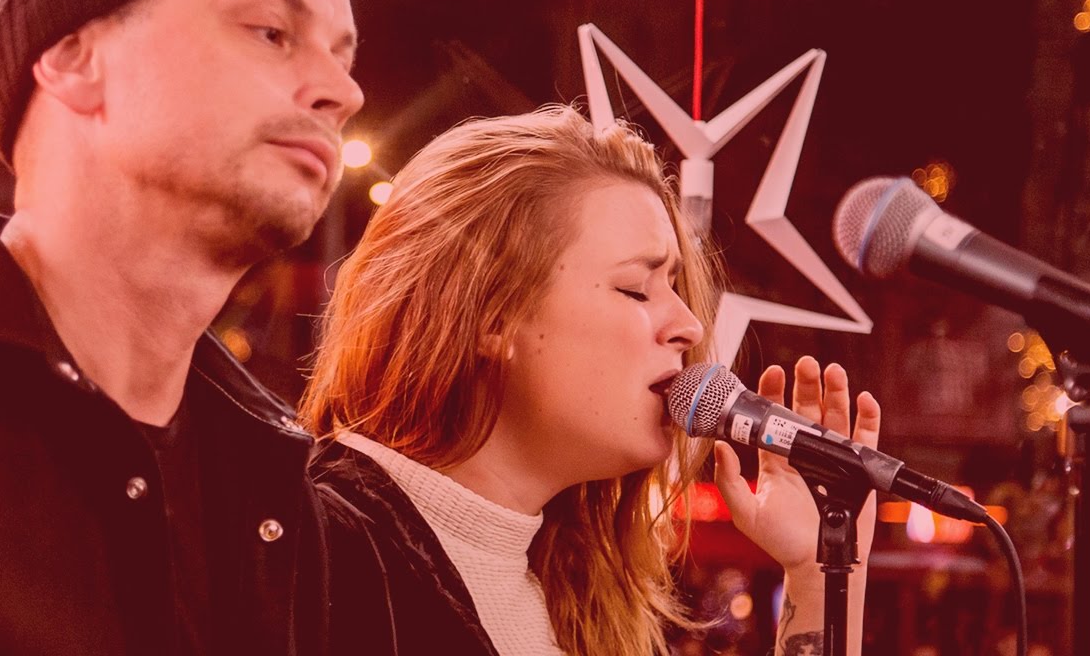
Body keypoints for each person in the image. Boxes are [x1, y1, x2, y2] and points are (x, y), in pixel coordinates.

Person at [0, 0, 362, 653]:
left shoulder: (275, 482)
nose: (345, 93)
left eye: (344, 54)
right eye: (272, 31)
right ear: (74, 58)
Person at [302, 104, 881, 656]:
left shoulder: (564, 588)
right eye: (636, 288)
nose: (686, 325)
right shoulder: (316, 559)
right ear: (491, 314)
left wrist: (818, 575)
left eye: (676, 288)